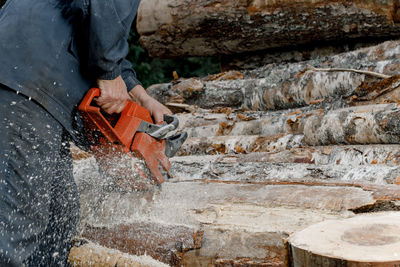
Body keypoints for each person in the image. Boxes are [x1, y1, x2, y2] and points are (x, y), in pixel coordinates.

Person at [0, 0, 171, 265]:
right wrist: (108, 71)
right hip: (29, 82)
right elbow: (103, 17)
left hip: (37, 87)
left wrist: (142, 97)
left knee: (60, 213)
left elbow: (96, 33)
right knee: (18, 226)